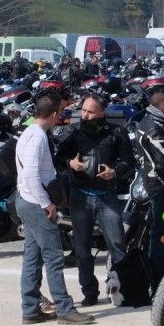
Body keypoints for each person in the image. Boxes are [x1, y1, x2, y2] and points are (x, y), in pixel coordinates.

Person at [16, 92, 95, 325]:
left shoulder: (28, 132)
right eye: (60, 112)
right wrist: (46, 204)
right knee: (53, 258)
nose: (61, 115)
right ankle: (64, 309)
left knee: (33, 258)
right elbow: (31, 174)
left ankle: (30, 309)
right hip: (35, 204)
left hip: (26, 200)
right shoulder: (38, 137)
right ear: (53, 114)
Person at [55, 94, 133, 306]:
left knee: (117, 245)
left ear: (101, 113)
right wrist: (70, 163)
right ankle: (89, 292)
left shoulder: (116, 132)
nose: (85, 115)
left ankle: (121, 289)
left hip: (106, 195)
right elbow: (58, 159)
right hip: (80, 196)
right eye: (83, 110)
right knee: (82, 250)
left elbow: (129, 162)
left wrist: (114, 172)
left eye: (90, 111)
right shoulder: (74, 132)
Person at [133, 88, 164, 286]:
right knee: (161, 234)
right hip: (160, 188)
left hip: (152, 183)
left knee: (157, 231)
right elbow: (162, 166)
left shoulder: (147, 121)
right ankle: (159, 279)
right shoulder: (156, 129)